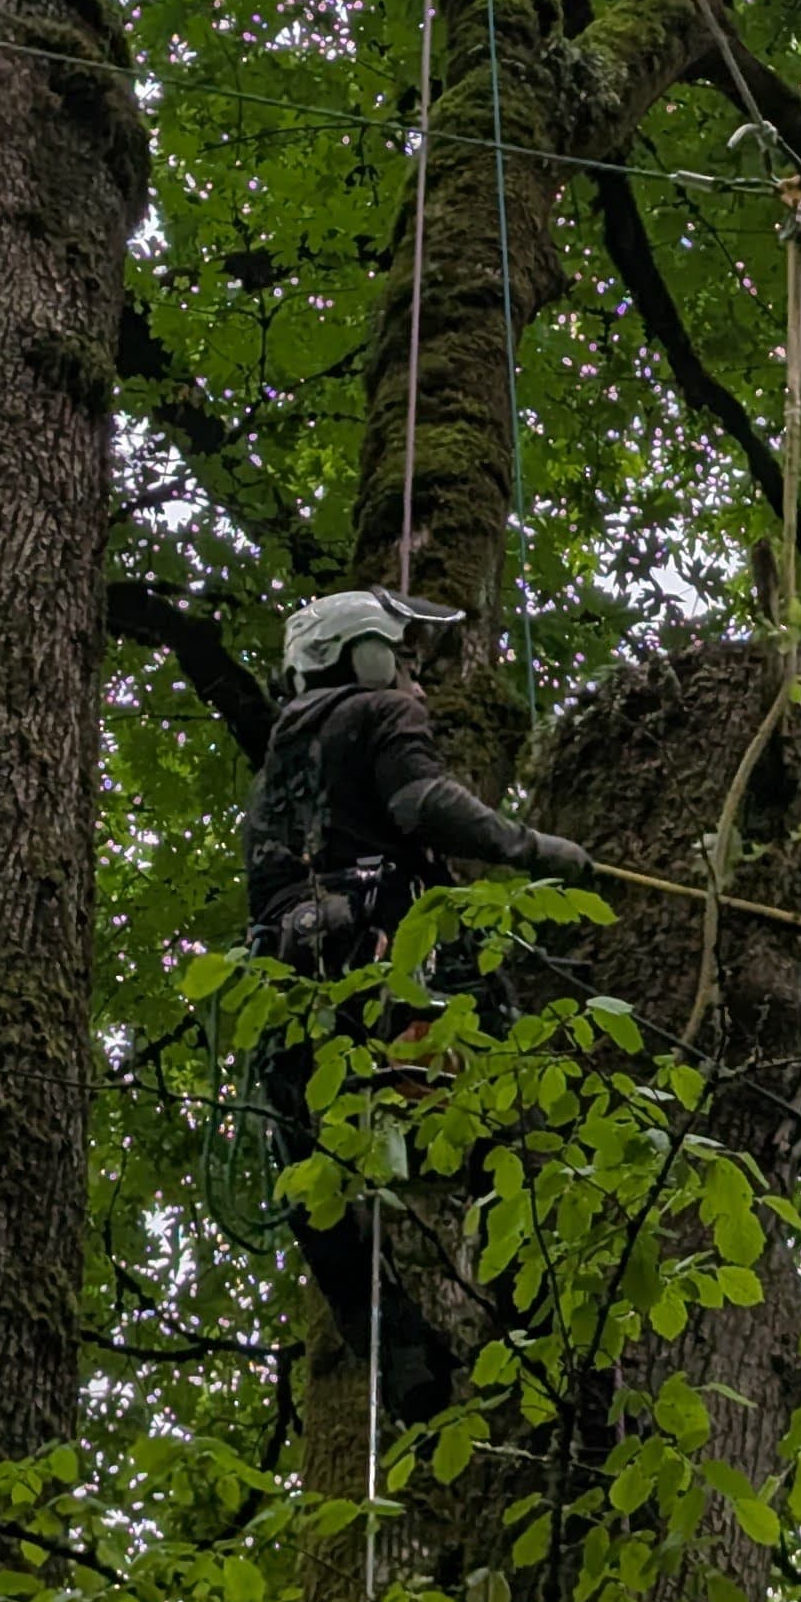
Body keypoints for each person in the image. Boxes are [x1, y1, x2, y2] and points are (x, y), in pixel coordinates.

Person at [242, 585, 594, 1412]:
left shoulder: (270, 782)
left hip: (294, 991)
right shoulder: (378, 714)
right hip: (398, 965)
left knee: (312, 1176)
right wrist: (533, 849)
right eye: (402, 660)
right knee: (505, 1124)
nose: (414, 681)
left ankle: (394, 1347)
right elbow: (421, 802)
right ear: (362, 656)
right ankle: (529, 1324)